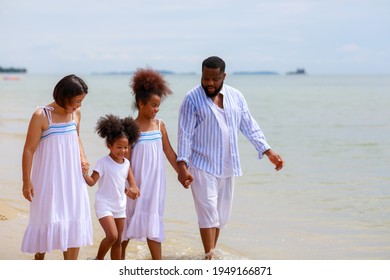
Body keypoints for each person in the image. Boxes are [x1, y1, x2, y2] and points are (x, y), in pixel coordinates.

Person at [177, 56, 285, 259]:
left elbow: (248, 125)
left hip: (228, 165)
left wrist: (267, 151)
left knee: (220, 216)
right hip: (201, 164)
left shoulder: (236, 97)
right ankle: (209, 255)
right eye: (205, 78)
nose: (209, 83)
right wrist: (182, 166)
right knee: (208, 213)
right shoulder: (191, 99)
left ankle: (211, 254)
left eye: (214, 79)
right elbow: (185, 134)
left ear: (223, 76)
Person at [21, 74, 93, 260]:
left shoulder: (75, 114)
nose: (79, 105)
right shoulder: (41, 115)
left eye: (81, 101)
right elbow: (29, 150)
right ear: (65, 96)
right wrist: (26, 181)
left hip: (73, 178)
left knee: (74, 221)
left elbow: (76, 138)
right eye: (77, 101)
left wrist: (83, 158)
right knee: (46, 219)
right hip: (49, 179)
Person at [121, 68, 191, 260]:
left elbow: (168, 152)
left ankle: (157, 265)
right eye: (153, 105)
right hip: (135, 183)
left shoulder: (160, 125)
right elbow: (125, 160)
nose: (156, 109)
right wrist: (132, 184)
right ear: (140, 103)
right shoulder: (131, 128)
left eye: (158, 105)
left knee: (153, 221)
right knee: (126, 222)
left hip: (155, 184)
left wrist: (181, 173)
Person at [83, 114, 139, 260]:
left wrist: (133, 189)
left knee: (118, 240)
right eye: (119, 147)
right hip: (104, 204)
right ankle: (99, 259)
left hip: (120, 205)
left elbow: (131, 183)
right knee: (112, 235)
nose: (123, 151)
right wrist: (84, 174)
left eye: (126, 147)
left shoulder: (126, 163)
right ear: (109, 146)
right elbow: (91, 182)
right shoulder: (103, 162)